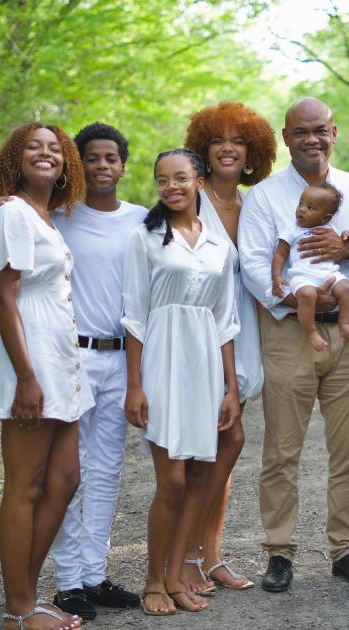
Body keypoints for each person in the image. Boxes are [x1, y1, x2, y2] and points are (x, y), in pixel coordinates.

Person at [238, 97, 349, 592]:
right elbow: (255, 265)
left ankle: (347, 548)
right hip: (290, 330)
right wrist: (296, 297)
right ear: (286, 138)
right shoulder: (264, 197)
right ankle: (279, 552)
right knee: (282, 449)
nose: (312, 139)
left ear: (334, 132)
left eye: (320, 129)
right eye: (301, 132)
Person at [121, 149, 241, 615]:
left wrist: (231, 388)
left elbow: (226, 321)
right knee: (170, 480)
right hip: (161, 362)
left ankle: (175, 578)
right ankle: (153, 579)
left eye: (180, 178)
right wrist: (135, 384)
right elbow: (134, 315)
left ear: (198, 181)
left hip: (205, 365)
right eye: (161, 180)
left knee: (195, 476)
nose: (171, 187)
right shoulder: (145, 238)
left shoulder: (219, 245)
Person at [0, 122, 90, 630]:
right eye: (33, 147)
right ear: (15, 159)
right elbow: (5, 297)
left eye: (55, 149)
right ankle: (18, 611)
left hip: (59, 360)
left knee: (64, 481)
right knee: (24, 485)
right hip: (32, 363)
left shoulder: (45, 217)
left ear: (66, 162)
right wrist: (26, 377)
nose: (45, 155)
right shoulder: (11, 215)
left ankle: (26, 594)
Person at [41, 123, 147, 621]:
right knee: (70, 472)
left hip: (121, 356)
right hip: (71, 356)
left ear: (124, 165)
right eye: (93, 158)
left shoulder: (143, 222)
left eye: (112, 158)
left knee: (107, 471)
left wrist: (138, 376)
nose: (103, 166)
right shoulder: (58, 217)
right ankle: (67, 583)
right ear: (78, 164)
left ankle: (93, 575)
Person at [179, 101, 278, 594]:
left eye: (238, 141)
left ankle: (210, 556)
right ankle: (185, 560)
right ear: (203, 148)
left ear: (252, 152)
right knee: (211, 448)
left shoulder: (256, 205)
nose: (227, 149)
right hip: (201, 337)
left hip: (246, 337)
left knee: (224, 447)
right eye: (217, 140)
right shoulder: (188, 201)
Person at [272, 183, 349, 351]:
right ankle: (311, 331)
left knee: (347, 289)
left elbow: (346, 239)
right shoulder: (292, 229)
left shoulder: (329, 228)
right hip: (302, 276)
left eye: (310, 208)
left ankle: (344, 324)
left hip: (329, 273)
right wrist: (276, 277)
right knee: (306, 295)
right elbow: (280, 254)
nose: (302, 210)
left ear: (325, 218)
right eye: (301, 204)